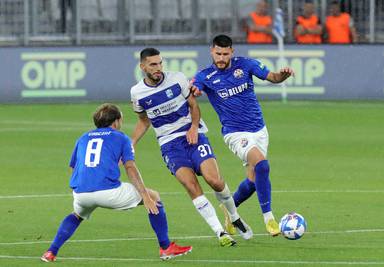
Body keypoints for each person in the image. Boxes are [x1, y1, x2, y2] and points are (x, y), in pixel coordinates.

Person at [130, 48, 253, 247]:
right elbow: (144, 121)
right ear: (142, 66)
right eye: (153, 64)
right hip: (169, 145)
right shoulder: (137, 93)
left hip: (193, 136)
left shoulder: (177, 79)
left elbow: (194, 106)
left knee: (214, 180)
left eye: (160, 63)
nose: (158, 68)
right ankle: (220, 232)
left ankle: (234, 216)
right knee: (191, 186)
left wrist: (195, 127)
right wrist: (132, 142)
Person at [40, 103, 192, 262]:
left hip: (81, 192)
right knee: (154, 196)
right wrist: (145, 195)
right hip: (108, 192)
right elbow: (130, 168)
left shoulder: (83, 138)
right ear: (116, 121)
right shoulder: (121, 138)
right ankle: (166, 247)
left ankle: (51, 252)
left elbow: (73, 167)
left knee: (77, 215)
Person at [190, 34, 294, 237]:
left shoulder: (246, 65)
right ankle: (269, 218)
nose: (221, 58)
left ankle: (230, 210)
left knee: (255, 181)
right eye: (217, 53)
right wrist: (195, 90)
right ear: (211, 51)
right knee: (262, 165)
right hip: (235, 133)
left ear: (232, 52)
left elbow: (273, 77)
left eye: (225, 54)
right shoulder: (205, 76)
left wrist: (284, 75)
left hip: (259, 130)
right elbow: (194, 88)